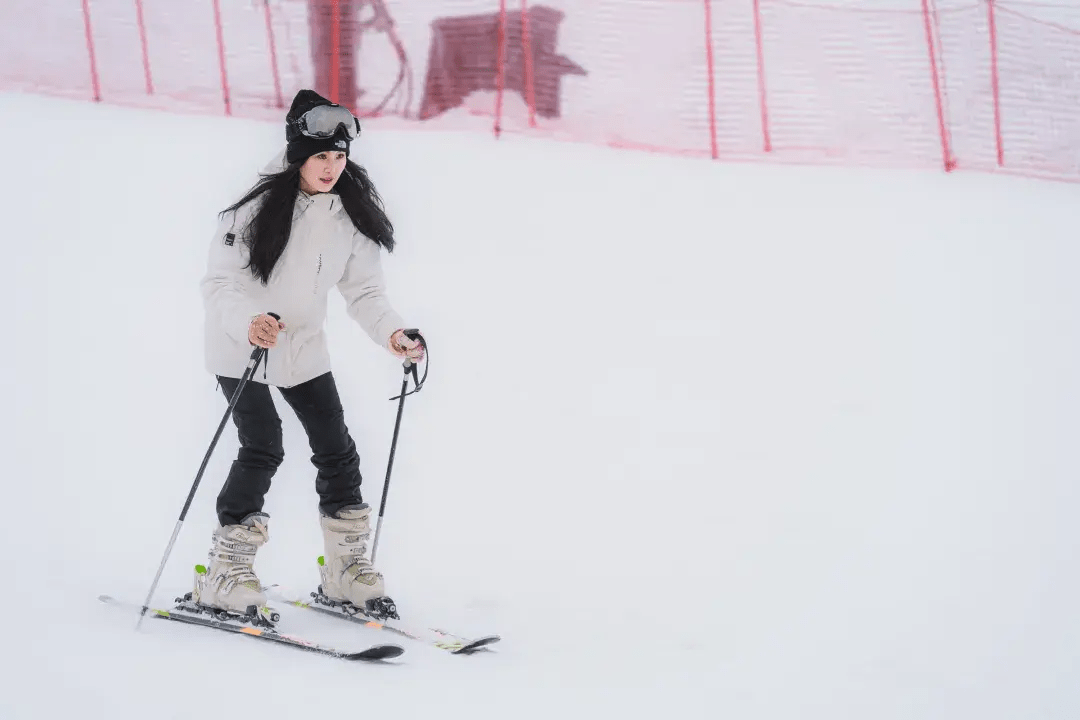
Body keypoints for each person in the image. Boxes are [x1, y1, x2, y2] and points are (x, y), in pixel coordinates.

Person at [194, 88, 423, 616]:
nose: (331, 167)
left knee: (336, 447)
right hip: (243, 344)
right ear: (298, 154)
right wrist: (248, 323)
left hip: (303, 348)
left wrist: (393, 334)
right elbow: (219, 285)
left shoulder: (349, 214)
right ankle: (226, 572)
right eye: (321, 155)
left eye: (339, 156)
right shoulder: (253, 208)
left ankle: (345, 570)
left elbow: (364, 292)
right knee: (263, 445)